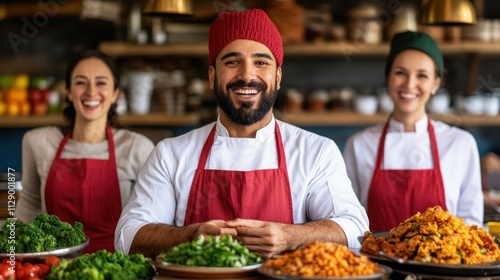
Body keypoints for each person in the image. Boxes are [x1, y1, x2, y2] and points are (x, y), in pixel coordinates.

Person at [115, 9, 368, 259]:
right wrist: (190, 237)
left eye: (261, 62)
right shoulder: (172, 153)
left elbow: (355, 228)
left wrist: (289, 236)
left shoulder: (316, 152)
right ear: (213, 76)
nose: (247, 75)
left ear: (278, 77)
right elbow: (128, 236)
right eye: (232, 62)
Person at [343, 31, 483, 232]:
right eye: (400, 72)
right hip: (376, 261)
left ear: (436, 83)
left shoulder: (460, 143)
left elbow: (471, 225)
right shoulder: (359, 145)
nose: (409, 84)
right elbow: (348, 221)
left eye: (422, 75)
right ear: (388, 77)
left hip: (443, 263)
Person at [17, 51, 155, 253]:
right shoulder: (38, 142)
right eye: (81, 82)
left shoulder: (137, 147)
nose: (91, 91)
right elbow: (28, 209)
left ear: (115, 93)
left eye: (101, 83)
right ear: (69, 92)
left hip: (117, 267)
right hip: (55, 268)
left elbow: (150, 220)